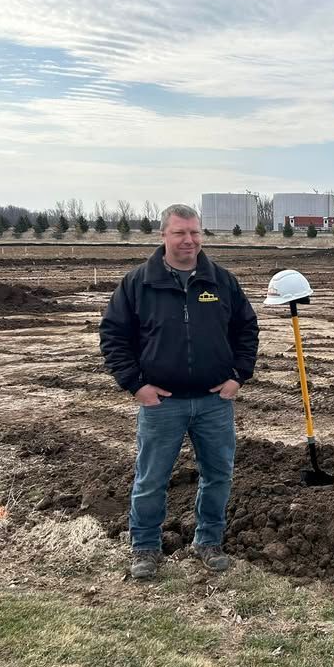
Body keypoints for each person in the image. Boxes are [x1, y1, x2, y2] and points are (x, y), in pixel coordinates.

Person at [99, 204, 259, 579]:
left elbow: (247, 331)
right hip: (162, 403)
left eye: (195, 233)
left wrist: (238, 375)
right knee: (151, 478)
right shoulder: (138, 283)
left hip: (214, 401)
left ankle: (208, 541)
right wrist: (136, 385)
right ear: (163, 236)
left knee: (218, 475)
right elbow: (113, 337)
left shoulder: (222, 281)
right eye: (179, 233)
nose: (189, 240)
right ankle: (145, 548)